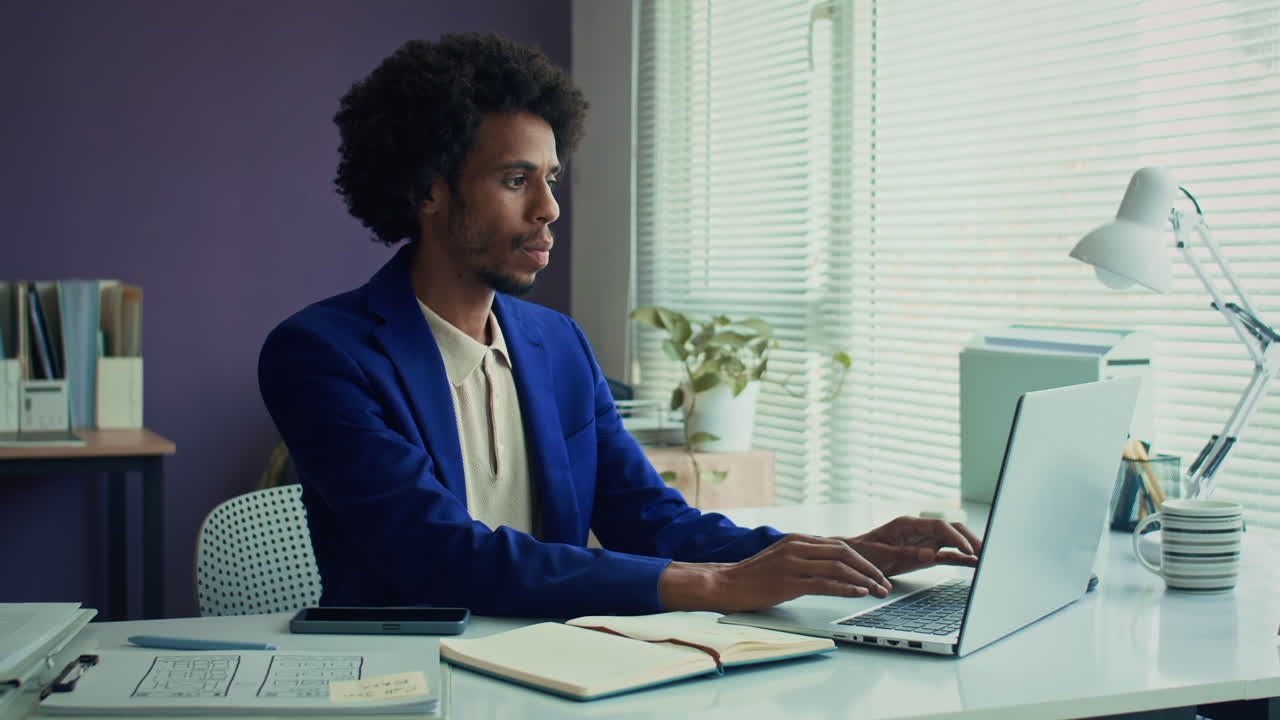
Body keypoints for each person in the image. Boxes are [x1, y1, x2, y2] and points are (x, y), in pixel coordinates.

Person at [258, 32, 982, 618]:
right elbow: (441, 557)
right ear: (428, 191)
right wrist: (718, 587)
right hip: (411, 681)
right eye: (517, 181)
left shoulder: (557, 346)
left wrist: (844, 553)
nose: (549, 209)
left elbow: (655, 523)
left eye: (552, 178)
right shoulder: (322, 355)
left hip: (563, 671)